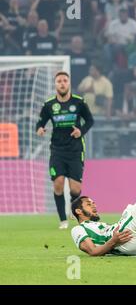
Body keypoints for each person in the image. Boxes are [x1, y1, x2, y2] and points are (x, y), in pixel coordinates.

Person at [36, 71, 94, 229]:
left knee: (76, 188)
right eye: (59, 81)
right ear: (55, 85)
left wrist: (80, 131)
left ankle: (72, 209)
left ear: (69, 84)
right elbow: (41, 122)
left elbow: (90, 120)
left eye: (65, 81)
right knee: (58, 184)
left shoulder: (79, 102)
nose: (62, 83)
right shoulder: (49, 105)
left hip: (75, 150)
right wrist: (40, 128)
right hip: (57, 150)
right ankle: (63, 220)